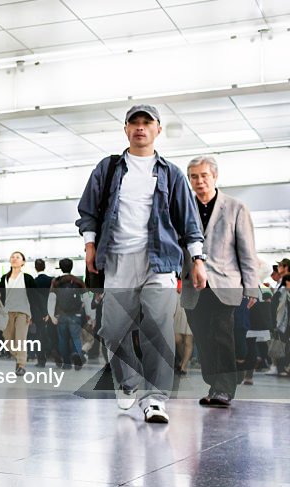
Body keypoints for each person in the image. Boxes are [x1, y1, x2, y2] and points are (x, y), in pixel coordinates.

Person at [77, 104, 205, 424]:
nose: (140, 127)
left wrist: (198, 259)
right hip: (117, 259)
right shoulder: (108, 169)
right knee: (113, 330)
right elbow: (88, 210)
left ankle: (155, 400)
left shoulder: (170, 173)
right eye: (134, 122)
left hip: (159, 260)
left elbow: (189, 221)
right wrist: (90, 245)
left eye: (147, 123)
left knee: (157, 329)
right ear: (125, 129)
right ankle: (128, 382)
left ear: (157, 129)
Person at [181, 156, 260, 408]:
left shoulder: (235, 207)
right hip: (193, 287)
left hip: (225, 284)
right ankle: (214, 384)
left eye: (204, 175)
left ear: (215, 176)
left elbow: (247, 251)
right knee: (203, 339)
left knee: (222, 336)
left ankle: (224, 389)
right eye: (194, 176)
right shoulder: (183, 209)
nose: (199, 181)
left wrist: (252, 287)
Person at [0, 252, 36, 376]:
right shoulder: (4, 278)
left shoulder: (27, 278)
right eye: (13, 257)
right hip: (7, 312)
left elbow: (35, 297)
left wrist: (35, 314)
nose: (14, 259)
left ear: (23, 262)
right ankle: (20, 357)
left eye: (18, 257)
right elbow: (0, 297)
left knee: (20, 339)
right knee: (7, 340)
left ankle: (21, 365)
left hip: (23, 312)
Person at [47, 258, 88, 370]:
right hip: (76, 315)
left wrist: (51, 315)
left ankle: (66, 363)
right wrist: (90, 315)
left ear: (60, 267)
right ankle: (77, 356)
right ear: (72, 266)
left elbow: (51, 299)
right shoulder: (78, 281)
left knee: (63, 339)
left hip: (61, 315)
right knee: (76, 338)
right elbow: (86, 298)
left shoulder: (56, 281)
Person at [31, 259, 54, 368]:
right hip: (51, 312)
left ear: (35, 268)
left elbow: (32, 300)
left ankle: (41, 360)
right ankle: (55, 355)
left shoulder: (33, 283)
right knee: (52, 335)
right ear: (44, 267)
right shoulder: (51, 281)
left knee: (39, 336)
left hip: (38, 314)